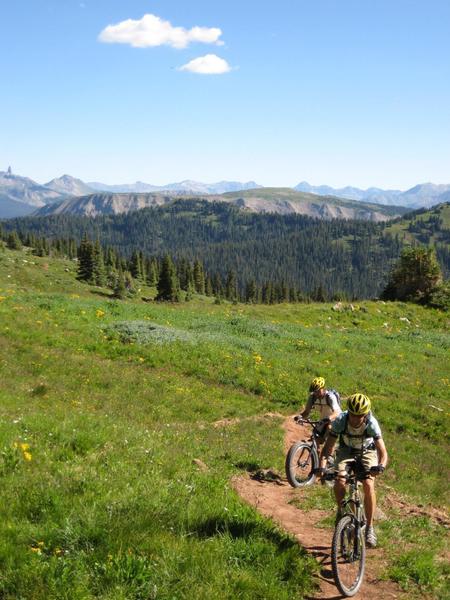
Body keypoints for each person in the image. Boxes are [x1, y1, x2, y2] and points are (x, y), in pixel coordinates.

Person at [318, 393, 388, 548]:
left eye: (360, 415)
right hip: (346, 450)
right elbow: (328, 448)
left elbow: (382, 452)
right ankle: (341, 511)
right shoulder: (340, 421)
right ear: (348, 412)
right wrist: (322, 466)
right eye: (353, 415)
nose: (356, 419)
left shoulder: (371, 423)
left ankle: (369, 527)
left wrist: (381, 466)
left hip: (367, 451)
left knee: (369, 484)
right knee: (339, 480)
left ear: (365, 414)